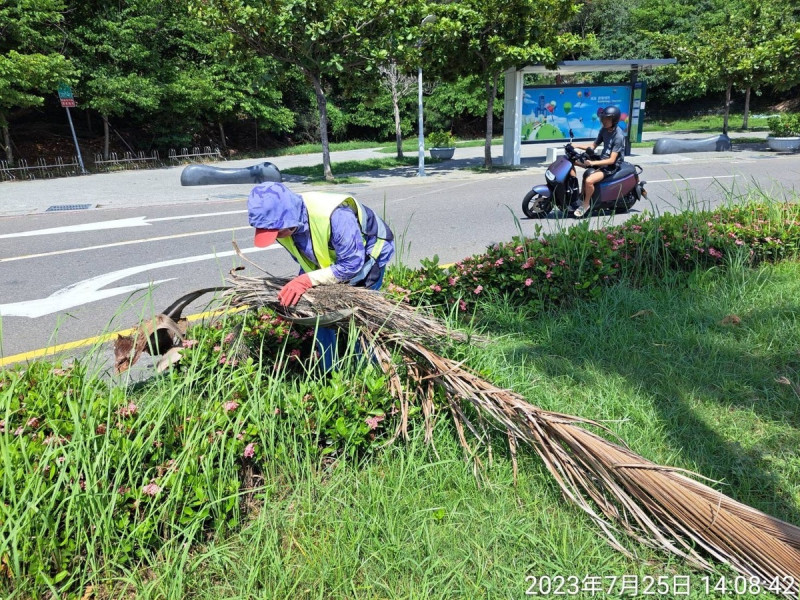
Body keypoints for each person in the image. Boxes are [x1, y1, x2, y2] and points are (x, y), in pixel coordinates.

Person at [248, 182, 394, 369]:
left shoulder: (336, 215)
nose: (278, 236)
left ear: (289, 218)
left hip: (367, 258)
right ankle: (330, 371)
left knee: (359, 321)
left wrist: (307, 280)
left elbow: (352, 264)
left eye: (277, 230)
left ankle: (367, 371)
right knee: (320, 318)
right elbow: (309, 258)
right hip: (337, 261)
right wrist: (304, 281)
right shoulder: (285, 228)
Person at [571, 105, 626, 218]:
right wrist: (576, 146)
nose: (604, 121)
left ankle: (586, 205)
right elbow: (593, 146)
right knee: (573, 161)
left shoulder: (618, 136)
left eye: (607, 119)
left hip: (612, 165)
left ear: (614, 120)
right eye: (603, 119)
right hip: (602, 159)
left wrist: (592, 163)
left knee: (589, 180)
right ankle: (580, 195)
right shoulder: (604, 130)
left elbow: (611, 160)